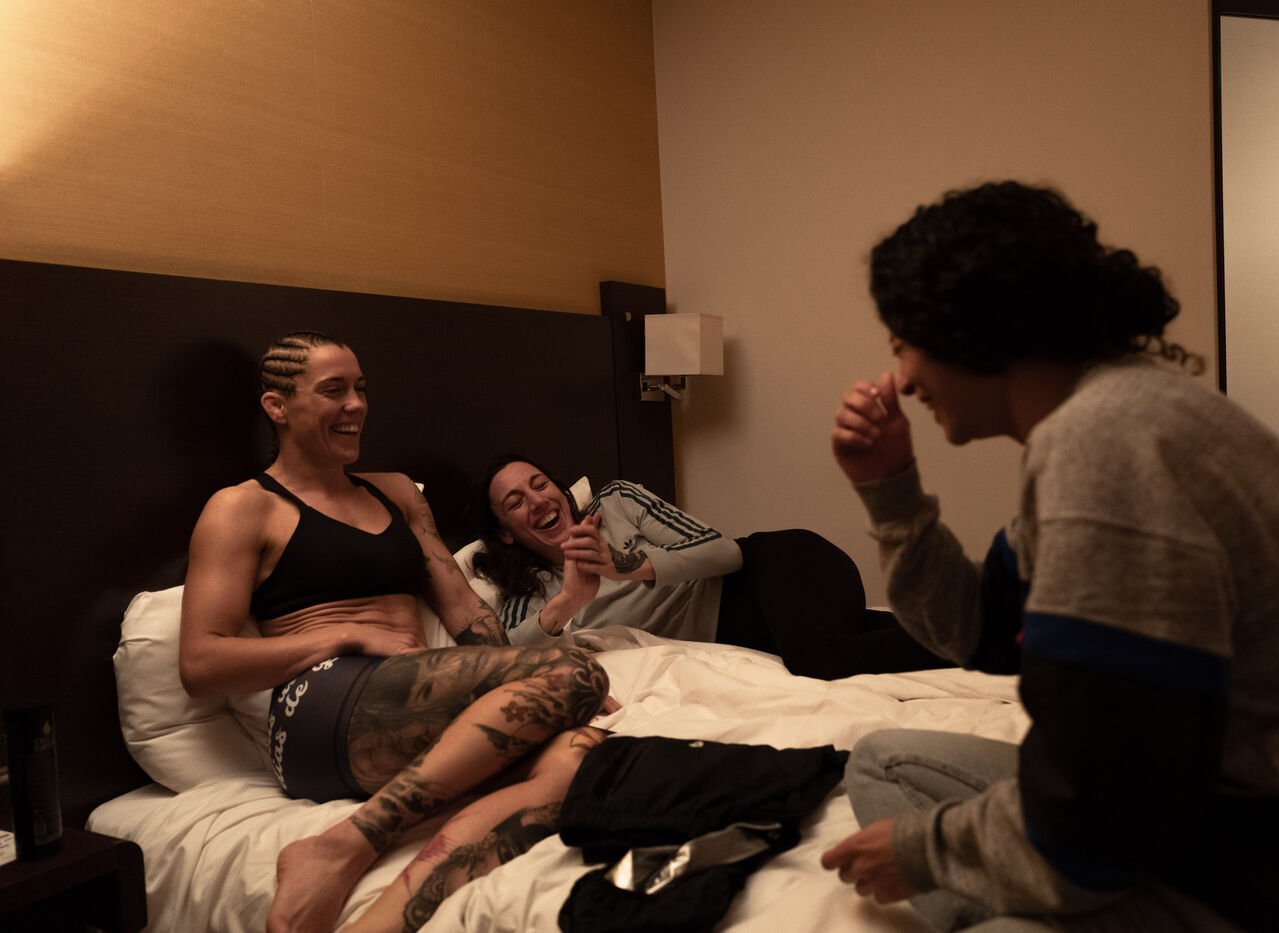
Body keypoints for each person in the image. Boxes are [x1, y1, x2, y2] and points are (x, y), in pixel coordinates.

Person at [821, 181, 1279, 931]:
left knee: (971, 882)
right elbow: (980, 630)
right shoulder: (1112, 412)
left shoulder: (1108, 441)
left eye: (903, 342)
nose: (901, 378)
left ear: (966, 326)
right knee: (882, 760)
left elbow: (1109, 810)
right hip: (1200, 807)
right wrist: (891, 489)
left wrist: (926, 851)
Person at [179, 332, 610, 933]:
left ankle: (378, 924)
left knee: (581, 756)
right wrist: (344, 637)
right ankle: (343, 845)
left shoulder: (398, 492)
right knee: (581, 671)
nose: (355, 404)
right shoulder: (242, 507)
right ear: (277, 406)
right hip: (320, 711)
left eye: (360, 388)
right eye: (333, 390)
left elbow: (465, 613)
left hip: (415, 698)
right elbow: (201, 664)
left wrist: (533, 684)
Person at [467, 456, 953, 679]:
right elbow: (506, 657)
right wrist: (570, 600)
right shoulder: (527, 590)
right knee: (852, 638)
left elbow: (725, 552)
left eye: (540, 483)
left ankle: (984, 640)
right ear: (506, 533)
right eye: (516, 501)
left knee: (819, 662)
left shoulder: (615, 502)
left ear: (559, 489)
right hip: (757, 628)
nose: (537, 500)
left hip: (772, 569)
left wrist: (625, 566)